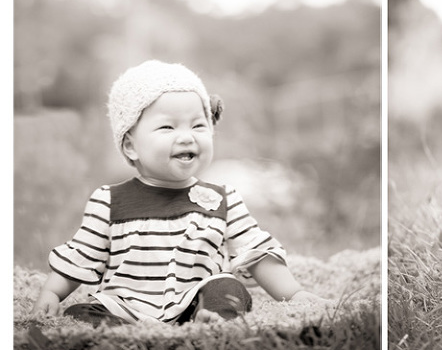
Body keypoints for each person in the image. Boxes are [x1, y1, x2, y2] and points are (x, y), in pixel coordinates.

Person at [32, 60, 328, 326]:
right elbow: (81, 256)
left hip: (194, 299)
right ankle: (123, 334)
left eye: (198, 125)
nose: (186, 136)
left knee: (227, 287)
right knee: (81, 313)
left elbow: (257, 252)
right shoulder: (109, 202)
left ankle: (211, 321)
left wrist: (294, 293)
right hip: (125, 306)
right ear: (130, 145)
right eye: (167, 126)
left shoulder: (223, 199)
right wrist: (51, 292)